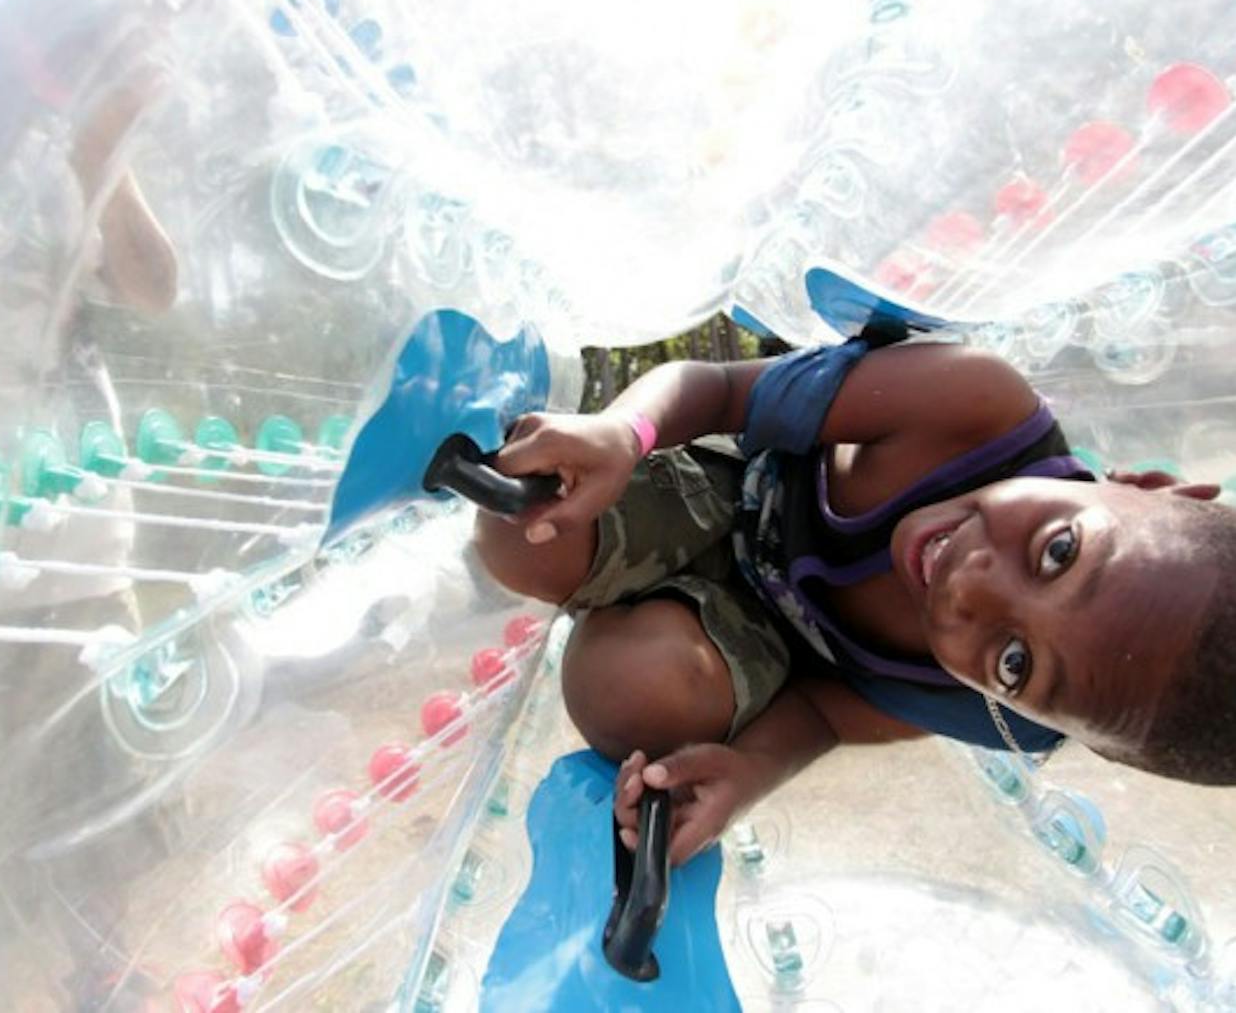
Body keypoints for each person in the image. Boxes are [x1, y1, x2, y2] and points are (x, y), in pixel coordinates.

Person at [475, 337, 1236, 867]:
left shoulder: (998, 718)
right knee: (520, 529)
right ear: (1151, 486)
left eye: (1013, 661)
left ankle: (620, 594)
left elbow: (831, 712)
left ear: (1044, 718)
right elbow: (718, 388)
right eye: (1059, 551)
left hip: (747, 642)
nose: (971, 589)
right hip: (722, 488)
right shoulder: (973, 406)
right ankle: (602, 560)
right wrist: (622, 432)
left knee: (628, 697)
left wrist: (747, 773)